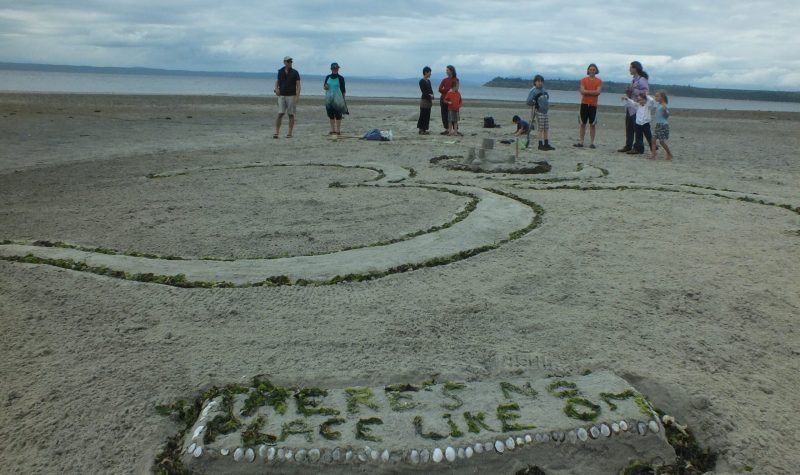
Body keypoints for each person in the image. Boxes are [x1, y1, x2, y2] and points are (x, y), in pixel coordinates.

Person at [618, 61, 649, 153]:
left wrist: (634, 90)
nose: (629, 69)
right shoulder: (634, 80)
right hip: (630, 106)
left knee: (637, 128)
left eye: (631, 67)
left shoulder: (642, 79)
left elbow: (645, 93)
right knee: (629, 127)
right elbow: (633, 92)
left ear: (636, 68)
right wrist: (628, 90)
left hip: (637, 107)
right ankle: (628, 145)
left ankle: (639, 148)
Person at [575, 63, 603, 148]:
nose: (592, 71)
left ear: (596, 71)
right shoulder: (583, 80)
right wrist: (592, 92)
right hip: (584, 103)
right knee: (582, 123)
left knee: (592, 124)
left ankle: (592, 143)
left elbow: (598, 92)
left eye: (593, 70)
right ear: (588, 70)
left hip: (593, 105)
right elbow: (582, 91)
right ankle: (581, 141)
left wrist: (587, 92)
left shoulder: (599, 81)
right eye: (590, 69)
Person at [621, 93, 656, 159]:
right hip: (638, 124)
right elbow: (632, 102)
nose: (640, 101)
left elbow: (652, 101)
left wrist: (647, 95)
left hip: (646, 124)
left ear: (645, 100)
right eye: (639, 100)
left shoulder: (648, 106)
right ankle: (639, 149)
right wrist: (626, 99)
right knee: (638, 138)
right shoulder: (637, 105)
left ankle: (653, 150)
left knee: (649, 137)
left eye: (642, 100)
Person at [274, 56, 301, 138]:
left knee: (291, 114)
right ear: (284, 62)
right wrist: (276, 89)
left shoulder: (295, 72)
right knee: (280, 113)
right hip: (282, 95)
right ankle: (276, 132)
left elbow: (298, 85)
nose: (290, 63)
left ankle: (289, 133)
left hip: (291, 95)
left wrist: (297, 96)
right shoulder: (280, 71)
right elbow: (277, 82)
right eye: (288, 61)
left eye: (291, 61)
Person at [526, 74, 554, 150]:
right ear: (535, 82)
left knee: (546, 128)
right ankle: (540, 145)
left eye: (541, 81)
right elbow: (528, 101)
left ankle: (546, 144)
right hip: (539, 112)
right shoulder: (533, 91)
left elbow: (547, 97)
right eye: (538, 81)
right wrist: (536, 104)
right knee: (540, 129)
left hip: (545, 111)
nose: (540, 82)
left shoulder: (544, 90)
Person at [323, 62, 347, 135]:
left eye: (336, 68)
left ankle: (338, 130)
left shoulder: (341, 78)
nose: (335, 69)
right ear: (331, 69)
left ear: (338, 69)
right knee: (330, 115)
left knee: (338, 115)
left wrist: (343, 99)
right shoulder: (327, 77)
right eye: (334, 68)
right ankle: (332, 130)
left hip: (338, 99)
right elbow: (324, 86)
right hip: (329, 99)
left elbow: (343, 90)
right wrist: (325, 87)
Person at [653, 90, 673, 160]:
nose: (655, 97)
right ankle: (653, 156)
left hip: (663, 125)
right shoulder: (659, 104)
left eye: (657, 96)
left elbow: (667, 116)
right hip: (658, 125)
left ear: (662, 97)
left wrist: (665, 111)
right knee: (653, 140)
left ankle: (669, 154)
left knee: (661, 142)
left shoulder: (664, 105)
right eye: (655, 96)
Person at [438, 65, 458, 135]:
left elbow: (455, 89)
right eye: (446, 70)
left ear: (451, 71)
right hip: (443, 99)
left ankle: (455, 130)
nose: (446, 71)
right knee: (444, 115)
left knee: (453, 115)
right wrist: (448, 90)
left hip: (452, 100)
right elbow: (440, 89)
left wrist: (446, 90)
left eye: (447, 70)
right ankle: (447, 129)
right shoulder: (444, 80)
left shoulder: (456, 79)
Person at [417, 66, 435, 134]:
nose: (430, 74)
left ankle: (424, 129)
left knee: (427, 115)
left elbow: (430, 90)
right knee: (423, 114)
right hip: (424, 100)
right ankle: (421, 129)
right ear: (426, 72)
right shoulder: (421, 81)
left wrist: (432, 95)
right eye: (430, 72)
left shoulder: (429, 81)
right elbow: (424, 91)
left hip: (429, 100)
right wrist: (430, 95)